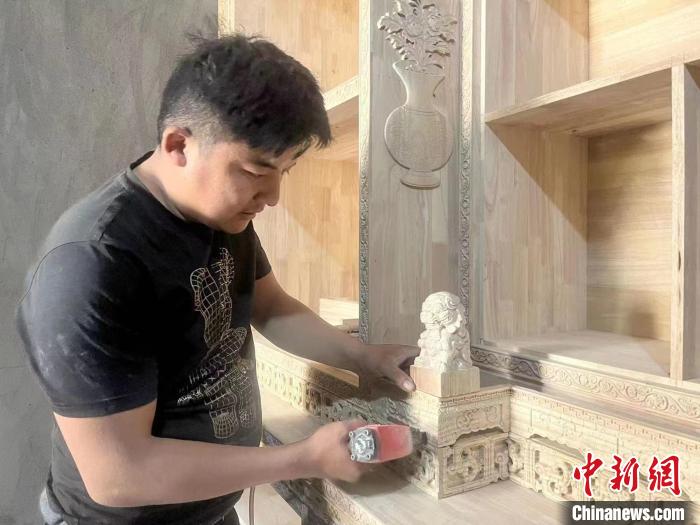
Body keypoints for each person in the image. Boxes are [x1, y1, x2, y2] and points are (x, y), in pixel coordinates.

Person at [17, 34, 419, 525]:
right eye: (255, 170)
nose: (272, 196)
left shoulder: (224, 216)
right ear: (179, 145)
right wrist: (304, 458)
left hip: (211, 510)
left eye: (285, 171)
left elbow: (272, 308)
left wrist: (365, 357)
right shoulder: (91, 264)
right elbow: (120, 474)